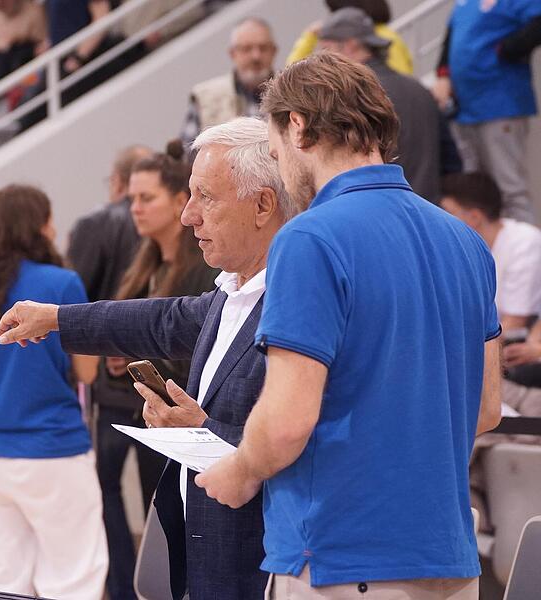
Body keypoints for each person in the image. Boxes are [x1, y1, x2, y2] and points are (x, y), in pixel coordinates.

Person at [194, 53, 502, 600]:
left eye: (273, 152)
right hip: (452, 562)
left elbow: (288, 422)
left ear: (297, 127)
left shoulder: (309, 238)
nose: (282, 170)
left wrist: (240, 470)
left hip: (340, 557)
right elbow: (485, 409)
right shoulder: (466, 242)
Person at [0, 117, 298, 600]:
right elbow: (160, 321)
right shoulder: (232, 293)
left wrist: (203, 434)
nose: (188, 216)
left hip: (256, 563)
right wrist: (56, 319)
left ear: (262, 204)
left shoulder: (298, 303)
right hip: (208, 556)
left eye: (206, 197)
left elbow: (303, 444)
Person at [0, 185, 107, 599]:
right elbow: (86, 369)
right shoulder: (62, 284)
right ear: (41, 226)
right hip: (54, 452)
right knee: (73, 580)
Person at [89, 147, 219, 600]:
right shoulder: (144, 261)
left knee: (164, 516)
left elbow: (199, 354)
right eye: (131, 199)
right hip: (126, 404)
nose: (136, 209)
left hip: (175, 418)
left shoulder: (203, 270)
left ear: (178, 201)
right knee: (107, 500)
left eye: (147, 198)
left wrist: (143, 354)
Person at [316, 7, 461, 202]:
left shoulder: (349, 96)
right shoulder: (419, 90)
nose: (321, 61)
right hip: (426, 212)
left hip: (377, 214)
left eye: (326, 49)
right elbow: (452, 162)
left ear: (350, 46)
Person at [433, 0, 541, 223]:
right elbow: (451, 38)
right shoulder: (465, 3)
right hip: (464, 107)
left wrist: (507, 50)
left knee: (509, 187)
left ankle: (527, 254)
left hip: (501, 103)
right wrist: (443, 74)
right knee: (472, 191)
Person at [440, 172, 541, 333]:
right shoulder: (455, 249)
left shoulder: (524, 242)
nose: (440, 220)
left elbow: (515, 321)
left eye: (447, 213)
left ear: (475, 217)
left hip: (512, 345)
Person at [68, 144, 151, 303]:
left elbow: (75, 293)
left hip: (99, 323)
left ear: (117, 180)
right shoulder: (163, 221)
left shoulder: (92, 223)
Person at [180, 18, 276, 150]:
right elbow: (188, 153)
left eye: (263, 48)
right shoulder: (204, 96)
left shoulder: (291, 94)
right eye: (247, 49)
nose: (256, 56)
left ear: (274, 51)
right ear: (232, 53)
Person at [287, 0, 413, 74]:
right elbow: (293, 71)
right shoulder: (384, 33)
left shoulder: (384, 36)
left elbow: (398, 78)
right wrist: (311, 35)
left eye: (336, 12)